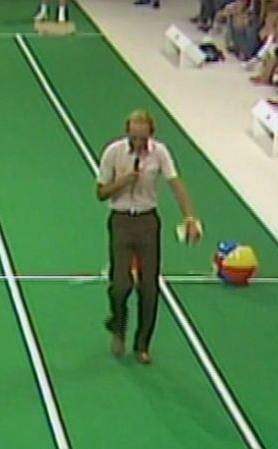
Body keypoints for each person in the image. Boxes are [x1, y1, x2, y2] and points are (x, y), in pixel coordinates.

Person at [96, 109, 201, 365]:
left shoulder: (160, 153)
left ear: (151, 134)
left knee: (149, 288)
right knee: (120, 285)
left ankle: (142, 344)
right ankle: (118, 324)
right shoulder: (113, 152)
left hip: (147, 222)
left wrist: (189, 217)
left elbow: (176, 184)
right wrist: (122, 181)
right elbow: (100, 193)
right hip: (121, 220)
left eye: (142, 139)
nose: (138, 144)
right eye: (133, 137)